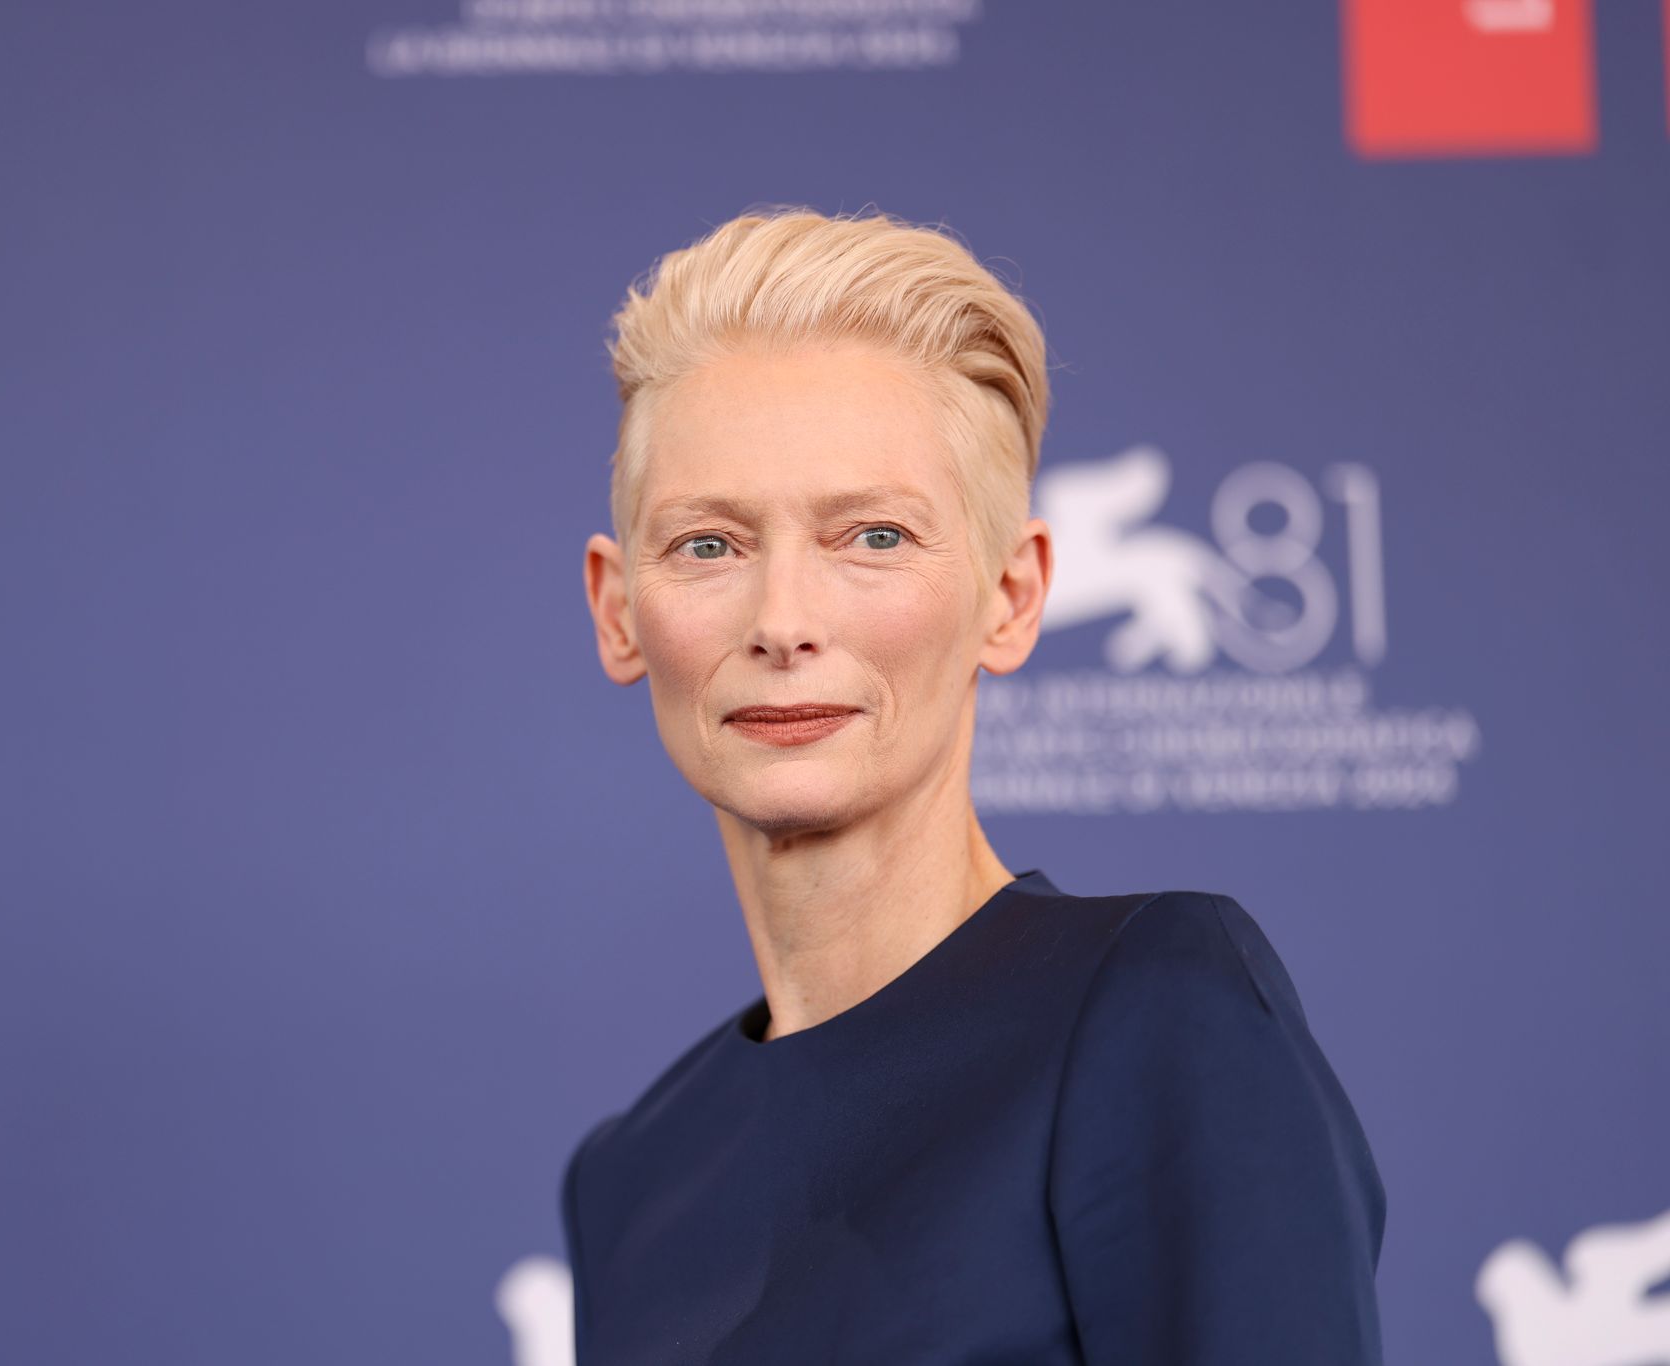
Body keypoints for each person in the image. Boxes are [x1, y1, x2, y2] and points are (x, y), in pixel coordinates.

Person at [567, 205, 1387, 1364]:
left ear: (1010, 597)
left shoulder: (1152, 1009)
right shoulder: (629, 1178)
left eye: (872, 537)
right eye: (709, 545)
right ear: (617, 611)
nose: (781, 621)